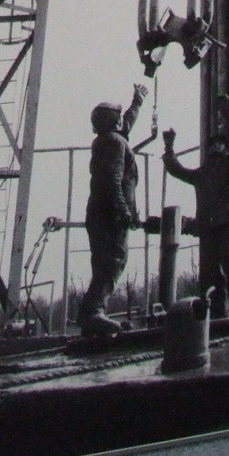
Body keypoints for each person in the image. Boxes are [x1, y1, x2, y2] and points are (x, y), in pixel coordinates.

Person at [163, 93, 229, 323]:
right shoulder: (201, 173)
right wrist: (169, 147)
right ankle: (216, 318)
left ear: (225, 148)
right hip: (208, 227)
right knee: (210, 276)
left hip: (228, 224)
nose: (216, 146)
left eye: (219, 143)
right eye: (213, 144)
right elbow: (177, 170)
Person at [78, 81, 148, 336]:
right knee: (113, 261)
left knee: (103, 263)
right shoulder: (115, 143)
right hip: (110, 215)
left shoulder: (108, 139)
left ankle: (91, 313)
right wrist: (124, 212)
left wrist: (137, 101)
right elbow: (112, 180)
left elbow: (125, 124)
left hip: (99, 213)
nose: (122, 120)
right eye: (118, 117)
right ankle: (93, 312)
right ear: (112, 122)